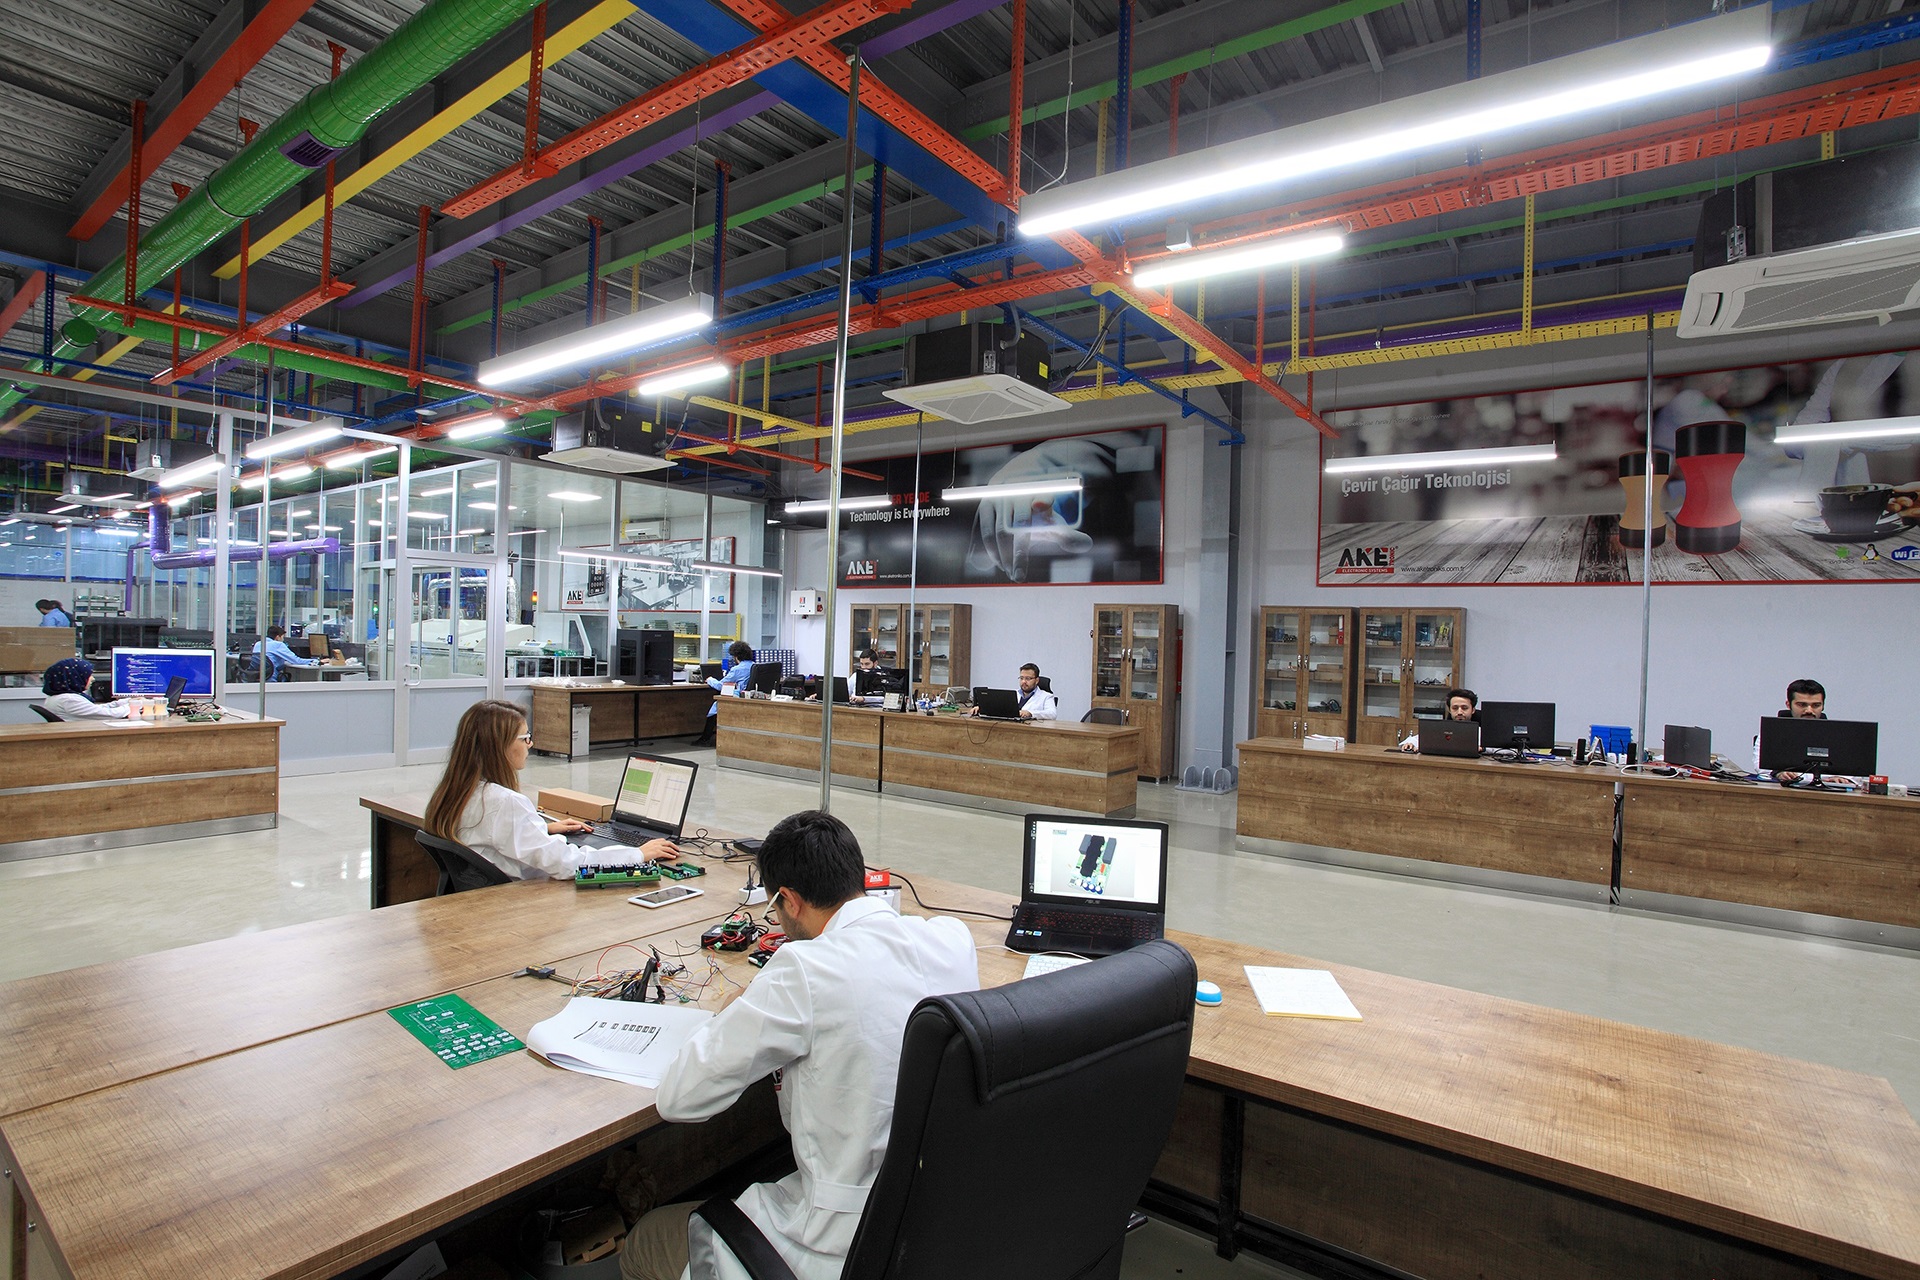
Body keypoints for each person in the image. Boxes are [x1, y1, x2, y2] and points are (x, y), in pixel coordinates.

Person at [618, 810, 979, 1280]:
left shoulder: (804, 969)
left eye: (774, 908)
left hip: (844, 1243)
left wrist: (735, 1010)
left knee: (645, 1241)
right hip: (936, 1225)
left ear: (788, 899)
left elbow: (679, 1099)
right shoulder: (952, 939)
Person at [424, 699, 677, 879]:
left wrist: (540, 828)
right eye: (525, 738)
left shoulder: (457, 791)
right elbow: (568, 864)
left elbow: (491, 833)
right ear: (499, 746)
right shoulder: (505, 802)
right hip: (516, 904)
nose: (530, 744)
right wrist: (637, 854)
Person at [1754, 678, 1862, 786]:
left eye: (1816, 705)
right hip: (1784, 791)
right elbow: (1761, 767)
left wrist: (1843, 778)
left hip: (1826, 791)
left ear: (1823, 706)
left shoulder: (1839, 735)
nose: (1809, 710)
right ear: (1788, 704)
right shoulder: (1771, 733)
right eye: (1802, 705)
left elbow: (1856, 769)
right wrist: (1779, 773)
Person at [692, 640, 754, 746]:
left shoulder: (737, 669)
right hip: (750, 697)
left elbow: (720, 686)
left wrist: (710, 679)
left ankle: (705, 739)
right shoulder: (754, 665)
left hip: (738, 698)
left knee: (715, 708)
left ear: (736, 656)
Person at [40, 657, 128, 721]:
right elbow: (110, 715)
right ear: (75, 677)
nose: (93, 679)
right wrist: (132, 706)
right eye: (89, 675)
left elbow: (96, 709)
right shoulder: (69, 700)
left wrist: (125, 701)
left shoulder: (60, 697)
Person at [971, 662, 1056, 720]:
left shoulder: (1046, 696)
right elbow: (1000, 708)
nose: (1024, 682)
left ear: (1037, 680)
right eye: (1021, 678)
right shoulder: (1013, 694)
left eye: (1028, 678)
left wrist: (1030, 713)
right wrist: (982, 709)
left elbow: (1052, 714)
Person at [1400, 688, 1479, 751]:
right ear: (1449, 710)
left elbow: (1487, 749)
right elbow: (1415, 739)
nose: (1459, 712)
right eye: (1455, 708)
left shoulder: (1481, 733)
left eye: (1464, 708)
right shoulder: (1440, 729)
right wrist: (1409, 744)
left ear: (1473, 710)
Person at [252, 625, 319, 678]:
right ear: (277, 637)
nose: (283, 640)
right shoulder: (278, 644)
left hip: (258, 677)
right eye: (282, 637)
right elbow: (297, 661)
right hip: (271, 678)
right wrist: (317, 661)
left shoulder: (258, 643)